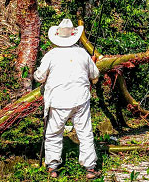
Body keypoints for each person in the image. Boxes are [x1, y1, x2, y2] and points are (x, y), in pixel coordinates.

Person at [34, 19, 100, 179]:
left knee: (53, 133)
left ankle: (53, 167)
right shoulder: (83, 54)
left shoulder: (51, 55)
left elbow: (39, 77)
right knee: (85, 133)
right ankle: (90, 168)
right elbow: (95, 75)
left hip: (57, 101)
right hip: (80, 100)